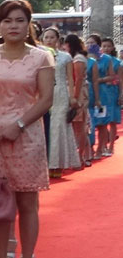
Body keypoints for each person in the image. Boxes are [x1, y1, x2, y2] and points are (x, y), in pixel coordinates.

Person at [0, 0, 54, 258]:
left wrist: (19, 126)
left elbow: (45, 100)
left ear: (29, 25)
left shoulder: (41, 57)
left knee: (27, 204)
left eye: (20, 21)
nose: (13, 26)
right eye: (7, 20)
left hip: (27, 139)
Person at [41, 27, 79, 177]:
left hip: (61, 94)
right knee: (45, 128)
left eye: (52, 37)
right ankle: (45, 164)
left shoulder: (65, 57)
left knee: (58, 128)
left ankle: (57, 164)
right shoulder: (40, 55)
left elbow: (71, 78)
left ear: (58, 40)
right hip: (44, 94)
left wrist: (73, 97)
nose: (49, 40)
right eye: (46, 37)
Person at [65, 34, 92, 167]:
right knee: (79, 127)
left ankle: (80, 156)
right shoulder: (78, 58)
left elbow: (79, 78)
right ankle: (82, 155)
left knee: (80, 127)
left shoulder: (78, 59)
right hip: (80, 92)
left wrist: (74, 97)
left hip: (79, 93)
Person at [87, 34, 115, 158]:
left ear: (98, 45)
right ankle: (90, 149)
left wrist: (99, 80)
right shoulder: (85, 59)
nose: (89, 45)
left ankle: (100, 148)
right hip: (88, 93)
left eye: (92, 43)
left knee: (101, 122)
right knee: (89, 121)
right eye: (87, 43)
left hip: (102, 94)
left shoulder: (106, 59)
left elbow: (112, 77)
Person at [100, 37, 121, 154]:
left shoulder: (118, 63)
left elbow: (121, 80)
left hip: (113, 93)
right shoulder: (98, 61)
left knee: (112, 120)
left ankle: (111, 146)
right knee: (102, 121)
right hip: (101, 93)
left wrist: (121, 95)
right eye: (104, 46)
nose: (106, 48)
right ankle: (102, 146)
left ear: (113, 48)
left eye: (108, 46)